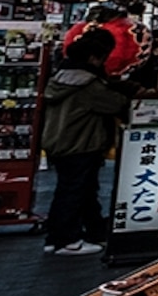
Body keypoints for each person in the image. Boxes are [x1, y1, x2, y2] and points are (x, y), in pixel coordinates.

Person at [38, 26, 133, 256]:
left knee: (71, 190)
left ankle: (58, 237)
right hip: (80, 143)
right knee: (74, 191)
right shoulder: (87, 84)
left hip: (58, 142)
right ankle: (67, 241)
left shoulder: (61, 78)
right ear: (93, 58)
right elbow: (116, 103)